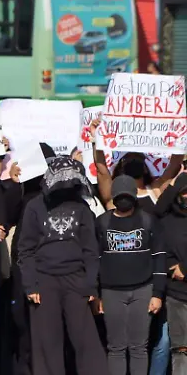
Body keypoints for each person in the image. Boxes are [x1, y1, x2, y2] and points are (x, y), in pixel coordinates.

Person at [17, 157, 107, 375]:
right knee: (48, 343)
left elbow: (91, 250)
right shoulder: (34, 206)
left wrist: (91, 285)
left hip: (76, 279)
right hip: (44, 280)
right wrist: (31, 285)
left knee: (87, 341)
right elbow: (25, 249)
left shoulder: (82, 207)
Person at [95, 175, 165, 375]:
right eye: (120, 197)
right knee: (116, 347)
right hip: (111, 292)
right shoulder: (102, 222)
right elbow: (94, 260)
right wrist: (96, 293)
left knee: (138, 347)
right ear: (114, 198)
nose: (123, 201)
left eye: (127, 196)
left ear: (134, 197)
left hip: (143, 290)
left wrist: (157, 293)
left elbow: (159, 257)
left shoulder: (148, 220)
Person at [160, 173, 187, 373]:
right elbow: (162, 255)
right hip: (176, 295)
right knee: (180, 350)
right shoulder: (166, 222)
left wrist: (184, 268)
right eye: (184, 192)